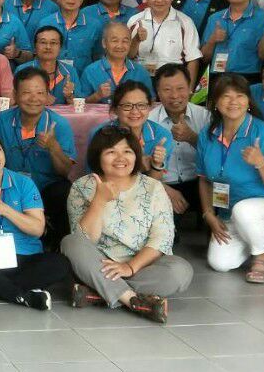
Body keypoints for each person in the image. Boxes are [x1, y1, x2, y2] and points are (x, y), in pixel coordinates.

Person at [62, 126, 193, 324]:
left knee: (181, 271)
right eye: (111, 152)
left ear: (136, 155)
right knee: (71, 243)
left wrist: (130, 267)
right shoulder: (82, 186)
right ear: (97, 156)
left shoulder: (153, 187)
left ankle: (99, 292)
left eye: (127, 151)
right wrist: (99, 200)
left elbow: (162, 238)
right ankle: (132, 300)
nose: (120, 158)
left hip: (142, 266)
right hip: (98, 264)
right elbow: (85, 240)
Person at [197, 75, 264, 283]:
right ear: (215, 102)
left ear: (248, 101)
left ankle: (263, 255)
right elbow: (204, 179)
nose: (233, 102)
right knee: (220, 263)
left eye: (240, 96)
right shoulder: (207, 135)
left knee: (244, 210)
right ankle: (258, 238)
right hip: (232, 212)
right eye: (226, 96)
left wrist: (261, 162)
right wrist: (209, 214)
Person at [0, 126, 70, 308]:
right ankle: (20, 294)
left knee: (60, 263)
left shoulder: (23, 183)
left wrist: (5, 210)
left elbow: (37, 229)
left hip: (26, 259)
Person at [0, 69, 76, 243]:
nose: (34, 99)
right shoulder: (1, 120)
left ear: (48, 95)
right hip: (10, 188)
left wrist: (53, 147)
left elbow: (65, 172)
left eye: (40, 93)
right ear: (15, 94)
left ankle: (56, 243)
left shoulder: (59, 124)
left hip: (45, 189)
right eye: (26, 93)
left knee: (64, 190)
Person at [149, 64, 211, 224]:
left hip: (200, 182)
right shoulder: (148, 120)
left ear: (190, 88)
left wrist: (192, 138)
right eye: (167, 90)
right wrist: (164, 189)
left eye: (180, 88)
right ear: (158, 92)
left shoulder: (205, 117)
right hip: (163, 184)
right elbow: (138, 166)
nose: (175, 95)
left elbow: (217, 158)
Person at [90, 81, 174, 181]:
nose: (135, 111)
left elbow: (155, 182)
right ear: (115, 109)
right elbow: (95, 178)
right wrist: (137, 165)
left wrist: (156, 165)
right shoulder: (100, 134)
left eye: (141, 105)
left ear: (150, 107)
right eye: (127, 106)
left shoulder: (162, 136)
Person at [201, 0, 264, 83]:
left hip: (250, 78)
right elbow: (204, 58)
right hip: (218, 77)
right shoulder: (214, 18)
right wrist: (212, 40)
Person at [127, 0, 202, 84]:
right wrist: (136, 40)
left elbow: (193, 59)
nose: (159, 0)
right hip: (140, 79)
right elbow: (128, 56)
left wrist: (188, 89)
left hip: (172, 81)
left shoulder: (185, 22)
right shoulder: (134, 20)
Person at [36, 0, 101, 74]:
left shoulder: (95, 25)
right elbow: (38, 55)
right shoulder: (45, 23)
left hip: (83, 79)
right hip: (51, 79)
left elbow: (98, 57)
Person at [77, 22, 152, 103]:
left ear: (130, 43)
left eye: (125, 41)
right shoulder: (90, 71)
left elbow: (151, 101)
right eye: (115, 41)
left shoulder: (141, 72)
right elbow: (80, 103)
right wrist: (97, 96)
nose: (120, 46)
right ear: (104, 43)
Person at [15, 26, 77, 105]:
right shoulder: (22, 70)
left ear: (60, 47)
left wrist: (70, 96)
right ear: (35, 47)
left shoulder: (70, 71)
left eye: (53, 43)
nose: (48, 47)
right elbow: (14, 101)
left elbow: (79, 105)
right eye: (43, 42)